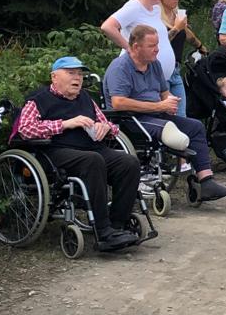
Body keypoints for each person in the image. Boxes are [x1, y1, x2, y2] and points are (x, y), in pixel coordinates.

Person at [13, 58, 142, 252]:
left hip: (92, 148)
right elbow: (25, 129)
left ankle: (118, 225)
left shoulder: (86, 98)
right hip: (56, 151)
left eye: (80, 74)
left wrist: (104, 127)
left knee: (129, 162)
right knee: (93, 161)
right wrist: (65, 123)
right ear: (54, 77)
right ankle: (103, 231)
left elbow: (112, 127)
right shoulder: (39, 99)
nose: (77, 78)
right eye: (71, 73)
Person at [103, 26, 226, 201]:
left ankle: (206, 180)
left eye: (157, 44)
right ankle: (180, 147)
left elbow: (165, 93)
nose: (157, 49)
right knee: (168, 127)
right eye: (152, 45)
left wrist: (171, 101)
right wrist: (159, 106)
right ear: (135, 47)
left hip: (156, 115)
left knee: (195, 126)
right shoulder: (120, 67)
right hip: (129, 119)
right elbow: (118, 103)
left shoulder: (154, 64)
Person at [100, 0, 181, 110]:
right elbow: (107, 26)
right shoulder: (134, 7)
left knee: (182, 120)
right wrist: (129, 48)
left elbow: (160, 40)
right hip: (143, 75)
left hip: (162, 76)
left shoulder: (156, 8)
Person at [156, 0, 198, 116]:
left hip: (176, 68)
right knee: (168, 113)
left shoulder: (176, 13)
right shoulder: (156, 16)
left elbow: (187, 33)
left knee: (181, 113)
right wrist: (176, 28)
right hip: (161, 71)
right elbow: (159, 42)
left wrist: (200, 45)